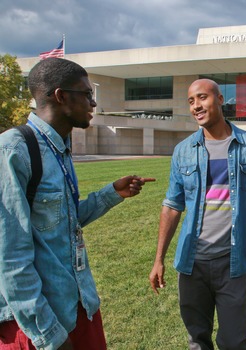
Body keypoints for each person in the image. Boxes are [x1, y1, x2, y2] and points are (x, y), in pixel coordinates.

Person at [0, 58, 155, 350]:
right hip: (37, 326)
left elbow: (61, 222)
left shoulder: (60, 150)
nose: (93, 103)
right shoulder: (14, 151)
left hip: (78, 305)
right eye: (86, 94)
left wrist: (112, 193)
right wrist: (50, 337)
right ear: (61, 97)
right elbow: (9, 259)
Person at [149, 79, 246, 350]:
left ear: (221, 99)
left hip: (232, 262)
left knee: (234, 341)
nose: (196, 106)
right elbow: (172, 205)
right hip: (192, 263)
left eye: (202, 98)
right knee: (197, 340)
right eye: (191, 101)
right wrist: (158, 259)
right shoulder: (183, 151)